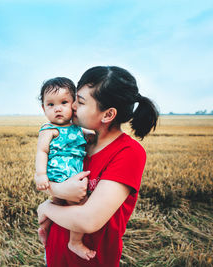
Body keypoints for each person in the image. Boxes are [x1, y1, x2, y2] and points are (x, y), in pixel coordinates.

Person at [37, 66, 159, 266]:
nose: (72, 105)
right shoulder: (79, 143)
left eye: (81, 102)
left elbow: (89, 220)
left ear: (108, 114)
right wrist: (56, 190)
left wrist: (47, 208)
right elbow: (53, 178)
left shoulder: (128, 153)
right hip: (56, 253)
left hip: (92, 260)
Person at [34, 77, 96, 260]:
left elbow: (85, 136)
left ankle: (44, 227)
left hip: (72, 172)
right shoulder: (49, 130)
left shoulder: (76, 128)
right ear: (44, 109)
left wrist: (92, 135)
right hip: (61, 175)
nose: (57, 108)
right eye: (50, 105)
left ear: (74, 105)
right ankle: (75, 242)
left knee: (58, 203)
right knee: (79, 204)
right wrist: (40, 175)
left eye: (63, 102)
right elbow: (42, 152)